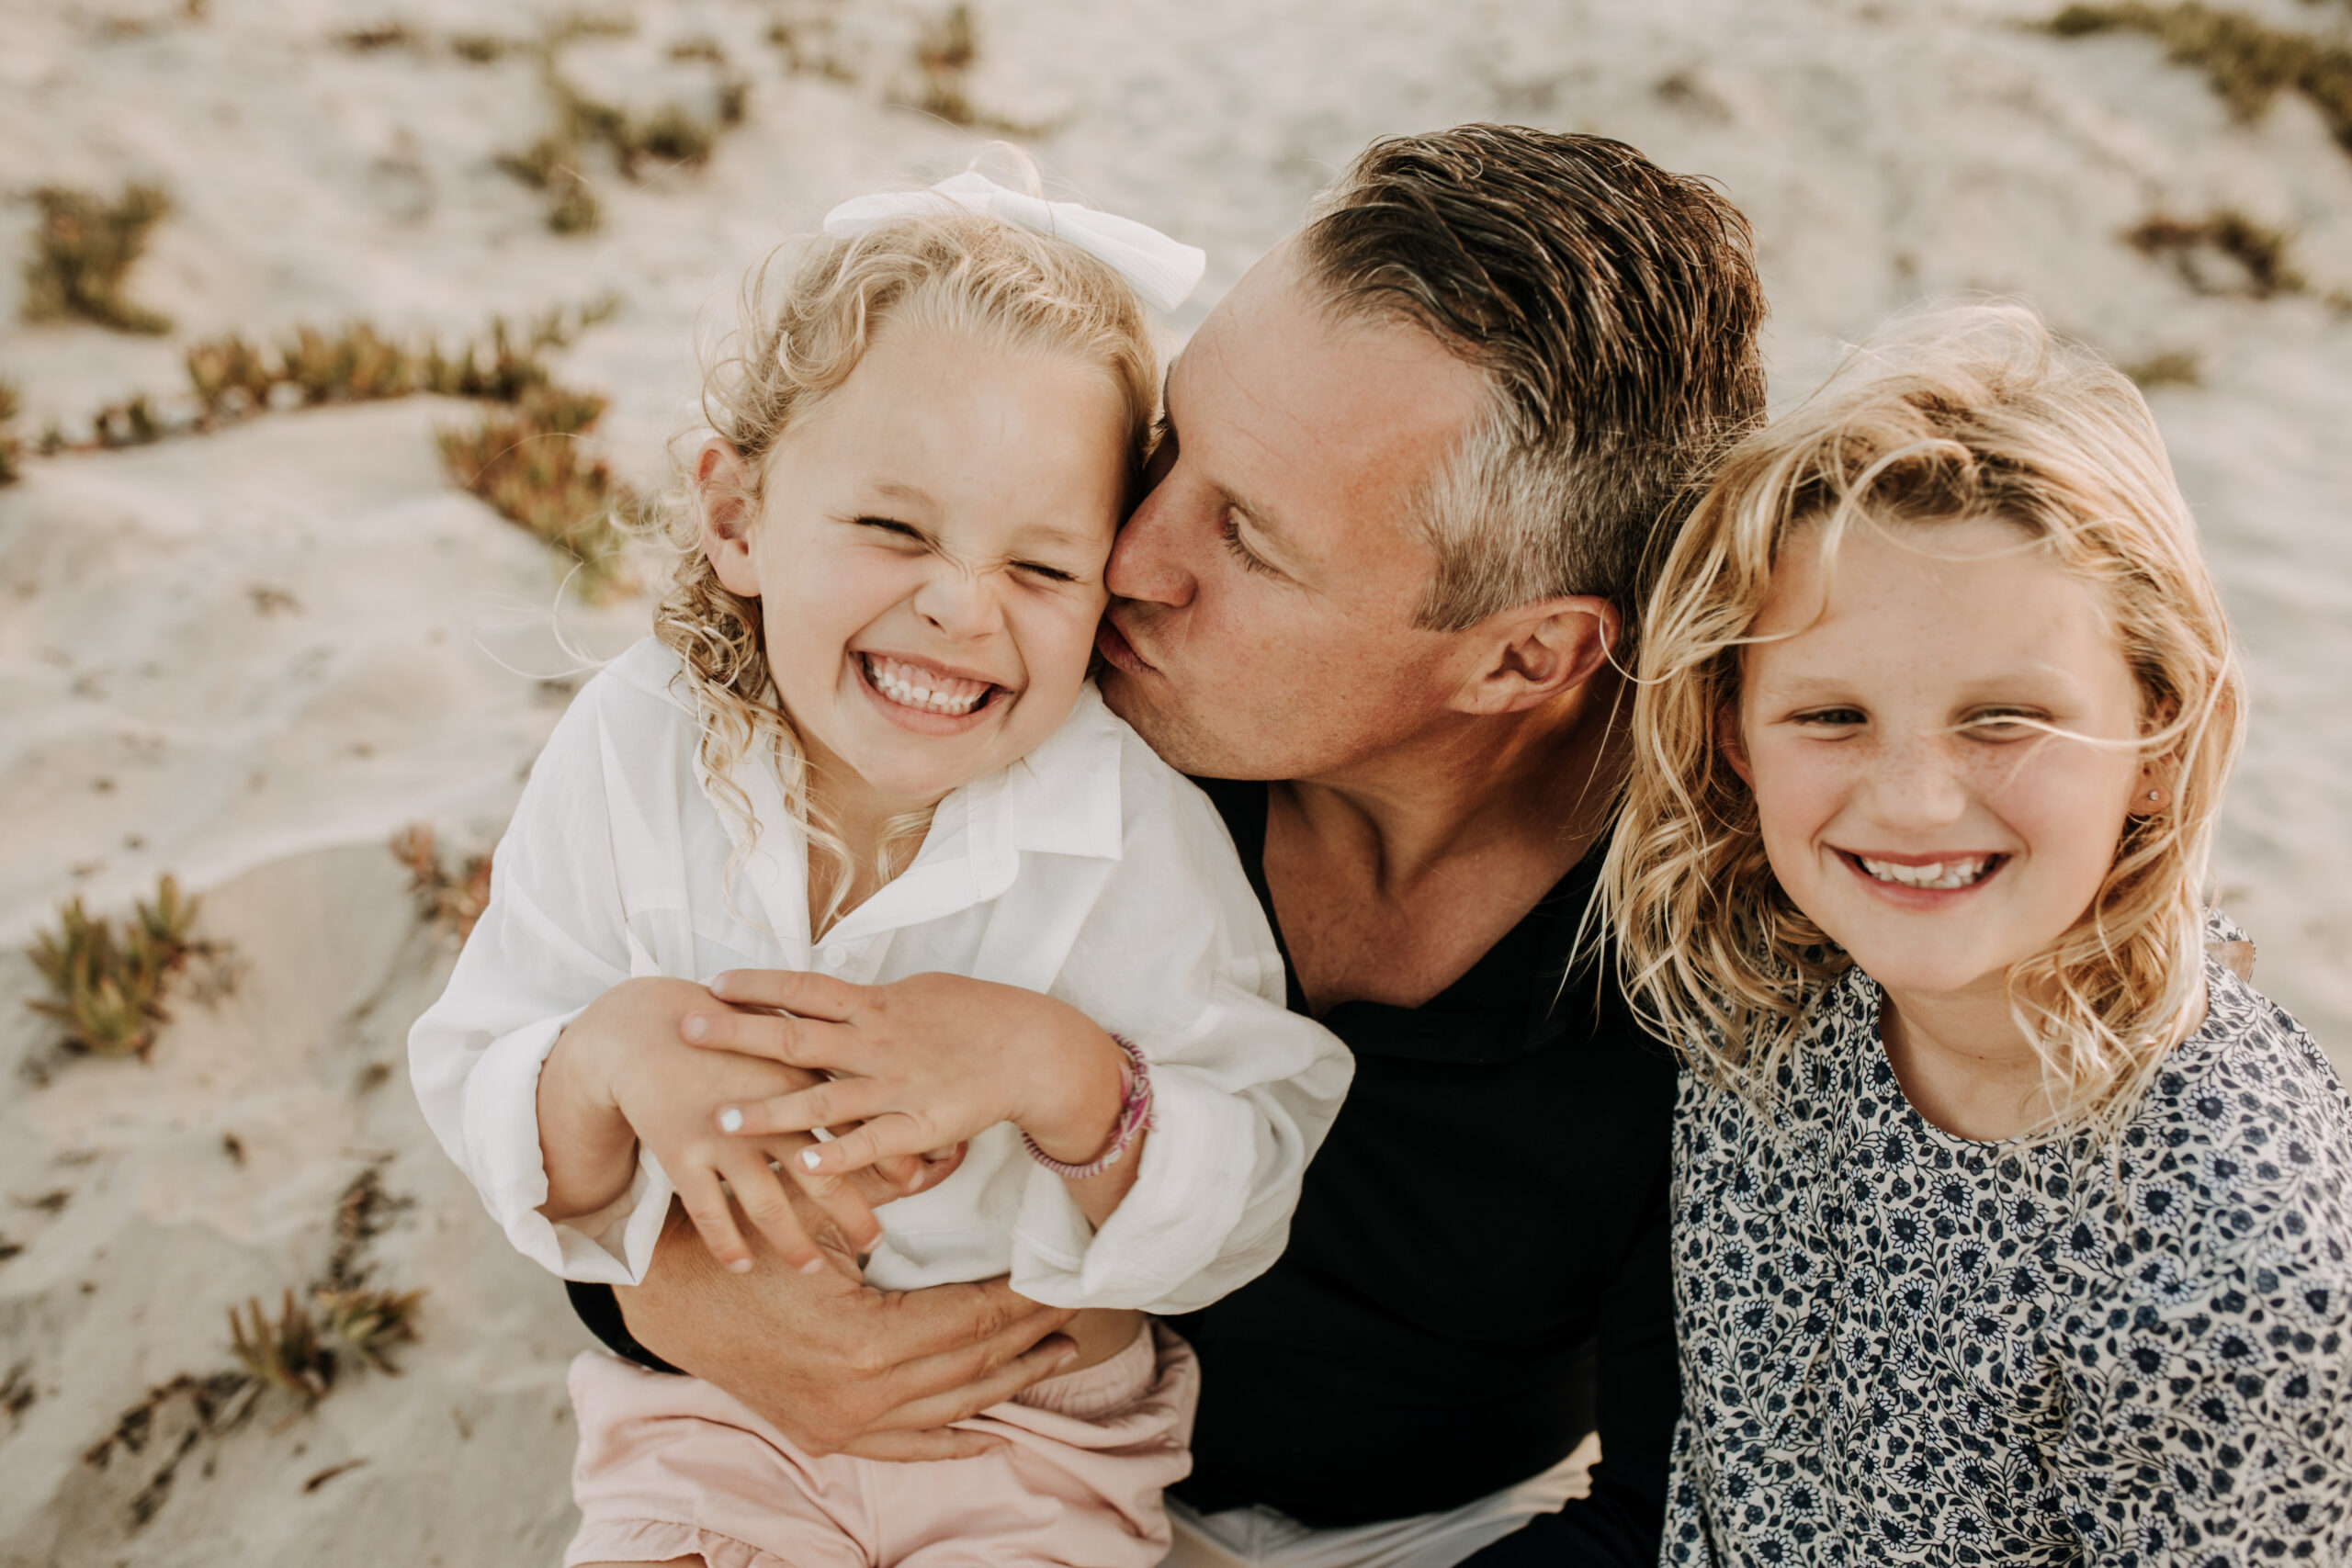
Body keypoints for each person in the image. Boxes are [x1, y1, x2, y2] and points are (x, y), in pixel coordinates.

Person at [590, 126, 1771, 1568]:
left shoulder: (1727, 963)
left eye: (1251, 541)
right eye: (1174, 444)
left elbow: (1682, 1518)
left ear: (1524, 658)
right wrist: (659, 1289)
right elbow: (636, 1023)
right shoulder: (1022, 693)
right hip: (904, 1467)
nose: (1130, 557)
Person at [408, 179, 1353, 1568]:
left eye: (1041, 565)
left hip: (1028, 1428)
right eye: (896, 532)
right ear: (737, 516)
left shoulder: (1128, 822)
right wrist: (606, 1062)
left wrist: (1072, 1080)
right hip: (709, 1413)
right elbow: (487, 1080)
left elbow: (1252, 1176)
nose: (961, 605)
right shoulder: (639, 743)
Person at [1605, 302, 2352, 1563]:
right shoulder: (1762, 997)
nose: (1909, 801)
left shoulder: (2232, 1262)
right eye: (1831, 715)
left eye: (2003, 718)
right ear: (1735, 738)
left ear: (2158, 739)